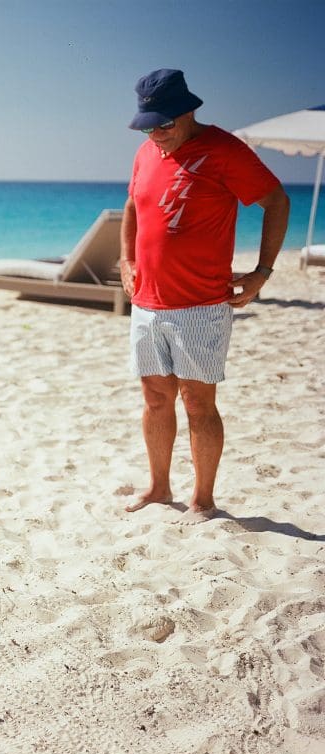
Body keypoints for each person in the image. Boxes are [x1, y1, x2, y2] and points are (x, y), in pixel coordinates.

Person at [121, 69, 289, 523]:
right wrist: (125, 260)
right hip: (147, 304)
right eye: (148, 125)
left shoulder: (225, 151)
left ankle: (203, 500)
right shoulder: (146, 151)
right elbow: (133, 204)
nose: (157, 133)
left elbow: (276, 200)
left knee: (198, 403)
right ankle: (158, 488)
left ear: (189, 110)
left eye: (165, 124)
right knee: (155, 398)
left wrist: (262, 272)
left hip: (200, 306)